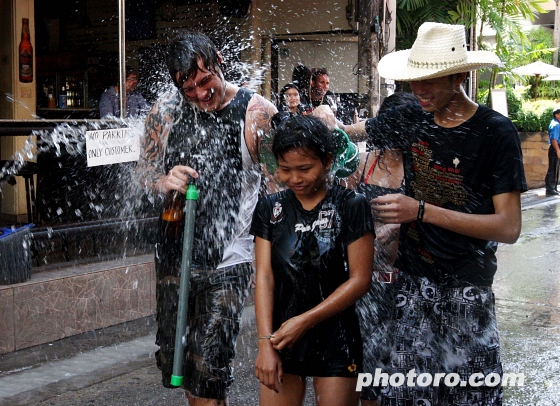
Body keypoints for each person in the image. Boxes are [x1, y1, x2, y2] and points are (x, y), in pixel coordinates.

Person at [339, 22, 526, 405]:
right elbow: (350, 130)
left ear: (459, 75)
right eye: (413, 81)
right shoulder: (414, 119)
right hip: (410, 284)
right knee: (405, 397)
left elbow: (508, 228)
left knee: (471, 397)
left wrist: (420, 211)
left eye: (430, 80)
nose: (419, 91)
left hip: (467, 287)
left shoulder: (494, 132)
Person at [136, 30, 277, 405]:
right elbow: (142, 173)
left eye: (205, 80)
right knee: (184, 372)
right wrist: (163, 180)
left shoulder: (256, 112)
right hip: (173, 258)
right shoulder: (163, 114)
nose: (200, 93)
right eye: (190, 89)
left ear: (218, 61)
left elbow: (281, 186)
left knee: (209, 378)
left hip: (230, 259)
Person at [251, 114, 374, 406]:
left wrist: (304, 322)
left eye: (304, 168)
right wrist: (265, 344)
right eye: (285, 169)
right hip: (281, 337)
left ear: (328, 161)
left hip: (337, 337)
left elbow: (360, 280)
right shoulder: (270, 207)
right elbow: (265, 278)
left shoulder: (351, 205)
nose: (294, 178)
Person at [544, 108, 560, 196]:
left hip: (557, 147)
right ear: (557, 115)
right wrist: (558, 150)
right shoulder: (555, 125)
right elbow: (554, 139)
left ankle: (553, 187)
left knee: (556, 168)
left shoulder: (557, 124)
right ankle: (550, 188)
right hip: (556, 147)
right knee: (553, 168)